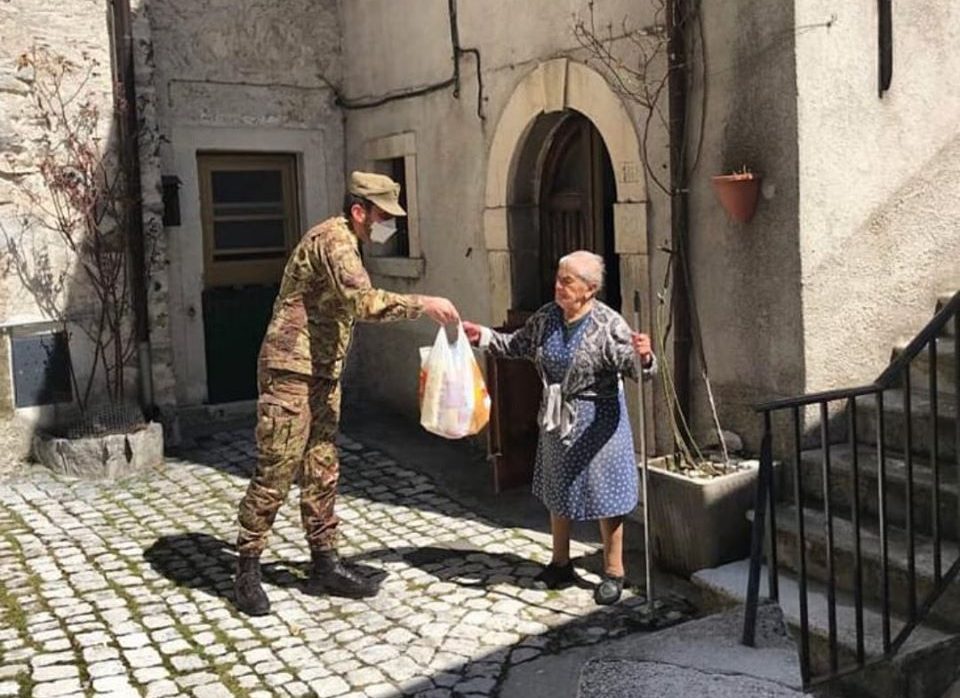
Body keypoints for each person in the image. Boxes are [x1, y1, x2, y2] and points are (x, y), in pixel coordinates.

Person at [234, 171, 459, 616]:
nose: (387, 226)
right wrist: (424, 304)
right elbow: (364, 303)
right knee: (277, 469)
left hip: (320, 372)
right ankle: (246, 569)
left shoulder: (348, 242)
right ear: (359, 212)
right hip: (290, 370)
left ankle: (324, 563)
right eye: (382, 217)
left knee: (321, 466)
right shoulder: (334, 242)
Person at [463, 250, 655, 605]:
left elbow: (636, 370)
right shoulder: (548, 317)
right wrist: (482, 337)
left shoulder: (609, 324)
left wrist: (644, 356)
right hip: (557, 420)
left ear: (590, 288)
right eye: (558, 278)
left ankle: (614, 571)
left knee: (606, 497)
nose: (558, 286)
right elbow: (515, 344)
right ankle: (560, 562)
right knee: (559, 488)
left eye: (567, 281)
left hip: (599, 423)